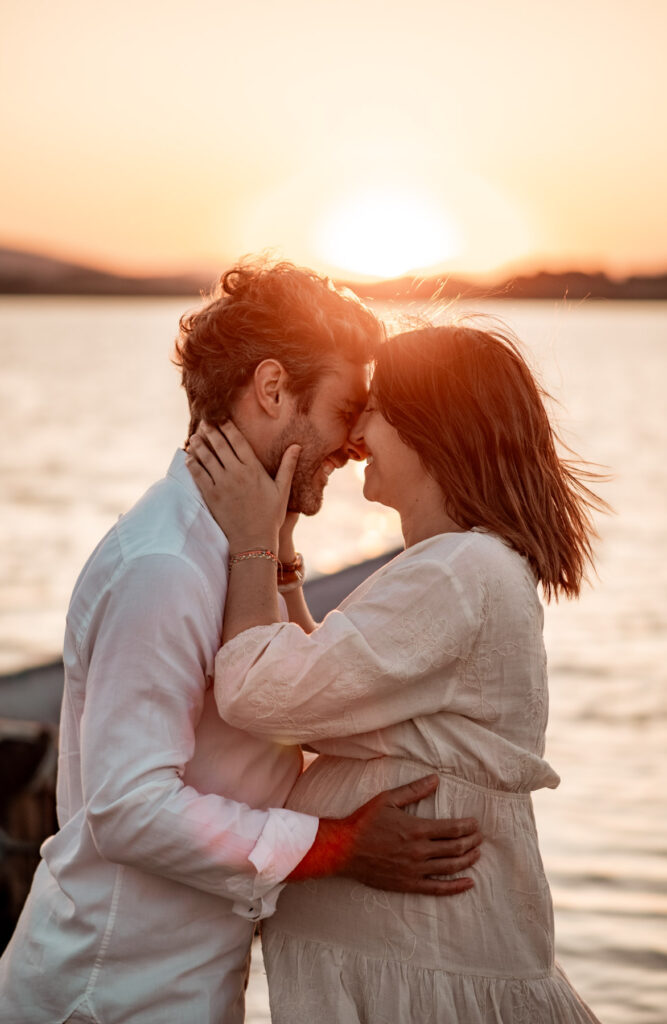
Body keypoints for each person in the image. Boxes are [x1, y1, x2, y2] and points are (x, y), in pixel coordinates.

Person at [0, 262, 482, 1024]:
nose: (355, 443)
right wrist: (334, 846)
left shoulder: (235, 549)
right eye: (345, 407)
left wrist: (276, 547)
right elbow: (128, 806)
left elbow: (295, 708)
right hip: (105, 993)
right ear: (273, 389)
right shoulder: (165, 564)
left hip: (183, 984)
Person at [186, 319, 605, 1023]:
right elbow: (334, 698)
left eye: (371, 410)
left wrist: (250, 544)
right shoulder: (462, 567)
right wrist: (284, 558)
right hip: (405, 971)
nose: (354, 439)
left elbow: (259, 691)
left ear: (427, 427)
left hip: (421, 978)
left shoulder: (460, 572)